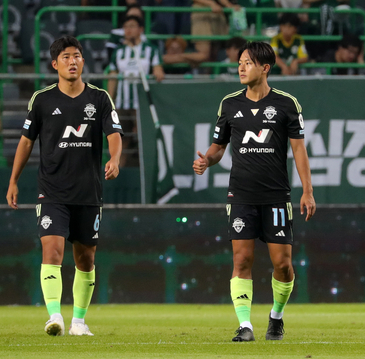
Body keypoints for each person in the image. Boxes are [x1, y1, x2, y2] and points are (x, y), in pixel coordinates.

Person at [192, 41, 316, 342]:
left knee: (283, 265)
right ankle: (245, 325)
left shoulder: (287, 104)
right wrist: (207, 160)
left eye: (247, 63)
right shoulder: (230, 104)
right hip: (241, 195)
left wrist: (307, 191)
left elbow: (299, 150)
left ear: (265, 68)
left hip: (275, 195)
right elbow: (218, 147)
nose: (241, 68)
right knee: (241, 260)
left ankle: (276, 316)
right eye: (239, 63)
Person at [6, 36, 123, 336]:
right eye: (66, 57)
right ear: (54, 63)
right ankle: (55, 316)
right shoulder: (42, 99)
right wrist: (14, 180)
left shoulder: (99, 99)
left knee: (86, 259)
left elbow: (114, 135)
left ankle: (79, 322)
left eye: (77, 56)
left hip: (88, 191)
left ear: (84, 61)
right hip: (52, 191)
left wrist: (115, 158)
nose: (72, 61)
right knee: (53, 251)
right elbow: (26, 142)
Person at [108, 16, 164, 167]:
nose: (129, 30)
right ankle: (118, 172)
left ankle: (143, 172)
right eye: (126, 27)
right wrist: (110, 100)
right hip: (122, 102)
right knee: (121, 139)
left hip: (142, 102)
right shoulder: (118, 51)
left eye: (132, 26)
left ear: (141, 30)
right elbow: (113, 76)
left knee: (142, 138)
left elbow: (158, 69)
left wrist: (158, 72)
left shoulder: (150, 49)